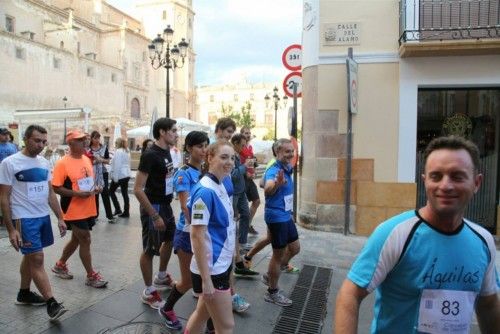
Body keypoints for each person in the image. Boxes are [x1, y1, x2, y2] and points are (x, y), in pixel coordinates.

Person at [335, 136, 500, 333]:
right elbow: (350, 294)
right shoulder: (395, 233)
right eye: (436, 176)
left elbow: (488, 304)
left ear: (477, 183)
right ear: (425, 181)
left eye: (457, 176)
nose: (445, 186)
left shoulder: (483, 241)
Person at [0, 125, 67, 320]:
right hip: (24, 218)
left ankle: (24, 293)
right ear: (25, 139)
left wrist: (61, 218)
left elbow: (50, 193)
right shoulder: (9, 163)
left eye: (44, 142)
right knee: (37, 259)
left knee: (30, 256)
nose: (41, 145)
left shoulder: (44, 163)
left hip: (42, 216)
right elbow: (3, 198)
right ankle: (51, 302)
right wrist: (11, 229)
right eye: (37, 140)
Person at [184, 140, 236, 334]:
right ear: (209, 158)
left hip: (220, 264)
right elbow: (197, 236)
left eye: (232, 158)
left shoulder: (221, 183)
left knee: (201, 314)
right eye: (223, 157)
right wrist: (206, 280)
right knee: (226, 326)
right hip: (212, 271)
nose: (229, 162)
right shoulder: (205, 191)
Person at [158, 131, 209, 330]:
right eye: (199, 146)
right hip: (187, 233)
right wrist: (200, 228)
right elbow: (186, 206)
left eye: (206, 145)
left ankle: (211, 325)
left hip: (204, 232)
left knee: (206, 282)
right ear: (189, 148)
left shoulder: (205, 172)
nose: (204, 150)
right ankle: (166, 308)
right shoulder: (184, 173)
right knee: (187, 281)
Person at [51, 129, 108, 288]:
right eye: (80, 140)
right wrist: (76, 193)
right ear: (70, 143)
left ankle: (60, 265)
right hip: (73, 208)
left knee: (77, 239)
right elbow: (56, 188)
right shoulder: (62, 162)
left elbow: (86, 181)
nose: (85, 142)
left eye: (85, 139)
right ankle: (91, 276)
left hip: (88, 207)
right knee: (85, 238)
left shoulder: (85, 159)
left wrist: (95, 188)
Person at [133, 118, 178, 309]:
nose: (177, 134)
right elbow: (137, 189)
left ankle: (161, 276)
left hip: (166, 205)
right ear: (162, 132)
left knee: (170, 239)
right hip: (154, 207)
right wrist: (154, 215)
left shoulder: (167, 152)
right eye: (173, 131)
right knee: (150, 249)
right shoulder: (150, 154)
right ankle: (149, 291)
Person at [214, 117, 255, 314]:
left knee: (227, 260)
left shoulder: (228, 151)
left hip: (227, 212)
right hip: (217, 220)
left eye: (231, 158)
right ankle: (227, 296)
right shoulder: (214, 150)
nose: (230, 135)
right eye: (228, 132)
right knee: (221, 263)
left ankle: (229, 295)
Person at [261, 138, 300, 307]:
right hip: (276, 217)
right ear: (277, 152)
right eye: (287, 151)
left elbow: (261, 183)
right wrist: (276, 184)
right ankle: (272, 292)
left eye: (292, 151)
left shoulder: (286, 167)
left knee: (295, 248)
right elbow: (268, 187)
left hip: (285, 215)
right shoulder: (274, 169)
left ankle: (271, 275)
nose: (290, 154)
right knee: (278, 255)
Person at [230, 134, 255, 252]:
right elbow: (233, 174)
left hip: (241, 191)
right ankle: (233, 245)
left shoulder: (237, 155)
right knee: (232, 218)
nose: (244, 148)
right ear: (235, 143)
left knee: (245, 215)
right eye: (242, 145)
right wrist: (244, 167)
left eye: (245, 145)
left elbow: (239, 172)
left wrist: (247, 170)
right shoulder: (230, 156)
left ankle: (242, 242)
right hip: (234, 192)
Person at [89, 131, 115, 223]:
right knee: (94, 193)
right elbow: (85, 161)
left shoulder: (104, 148)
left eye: (98, 138)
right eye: (95, 138)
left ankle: (109, 215)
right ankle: (95, 215)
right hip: (92, 173)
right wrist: (93, 162)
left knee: (105, 193)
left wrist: (101, 160)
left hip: (103, 173)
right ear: (91, 139)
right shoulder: (88, 149)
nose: (97, 140)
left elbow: (108, 161)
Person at [240, 126, 260, 235]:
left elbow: (252, 161)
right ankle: (241, 228)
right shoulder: (239, 147)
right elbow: (237, 163)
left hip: (249, 179)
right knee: (240, 209)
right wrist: (245, 173)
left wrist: (254, 171)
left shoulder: (250, 147)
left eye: (249, 133)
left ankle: (247, 225)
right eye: (246, 133)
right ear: (241, 134)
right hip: (242, 179)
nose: (248, 135)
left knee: (257, 201)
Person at [109, 138, 131, 218]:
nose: (115, 143)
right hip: (126, 174)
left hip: (120, 175)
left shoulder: (119, 151)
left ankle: (118, 209)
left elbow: (117, 165)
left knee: (111, 191)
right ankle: (126, 211)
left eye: (116, 142)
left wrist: (115, 178)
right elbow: (128, 163)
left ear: (118, 143)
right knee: (125, 193)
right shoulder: (127, 151)